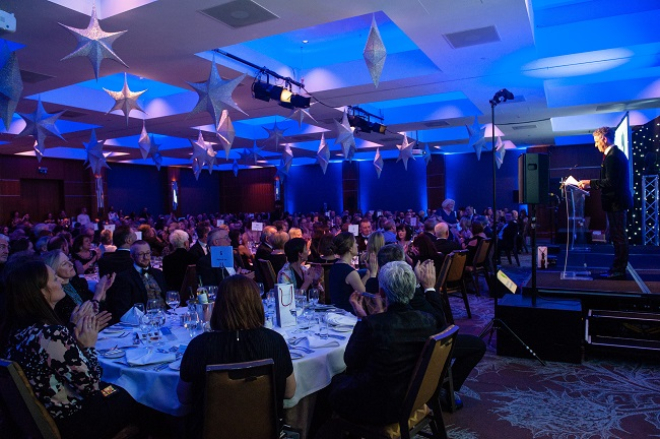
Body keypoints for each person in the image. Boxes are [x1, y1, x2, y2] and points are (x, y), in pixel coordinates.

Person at [0, 260, 135, 439]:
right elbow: (91, 386)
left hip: (50, 416)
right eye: (55, 279)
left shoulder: (17, 332)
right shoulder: (50, 334)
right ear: (41, 291)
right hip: (76, 420)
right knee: (132, 392)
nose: (62, 282)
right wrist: (88, 347)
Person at [177, 275, 295, 439]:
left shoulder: (199, 346)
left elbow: (184, 398)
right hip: (266, 432)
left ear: (219, 306)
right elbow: (289, 392)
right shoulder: (274, 342)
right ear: (256, 304)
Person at [328, 261, 437, 425]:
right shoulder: (428, 320)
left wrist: (364, 321)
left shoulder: (373, 325)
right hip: (413, 398)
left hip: (379, 408)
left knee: (331, 383)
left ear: (382, 293)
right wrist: (366, 317)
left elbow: (350, 361)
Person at [579, 126, 633, 280]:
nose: (596, 145)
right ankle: (617, 268)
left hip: (617, 203)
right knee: (617, 236)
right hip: (616, 203)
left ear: (604, 138)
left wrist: (590, 183)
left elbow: (610, 182)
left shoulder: (613, 157)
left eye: (597, 141)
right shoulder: (613, 155)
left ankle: (618, 270)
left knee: (618, 237)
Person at [42, 250, 115, 324]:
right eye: (64, 264)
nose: (71, 264)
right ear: (53, 271)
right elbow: (78, 323)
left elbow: (97, 310)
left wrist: (104, 290)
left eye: (69, 260)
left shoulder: (76, 283)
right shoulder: (57, 295)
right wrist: (98, 293)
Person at [105, 240, 167, 322]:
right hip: (143, 322)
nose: (146, 257)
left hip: (165, 317)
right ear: (132, 256)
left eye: (148, 253)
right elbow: (123, 310)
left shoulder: (158, 273)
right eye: (141, 254)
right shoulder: (124, 278)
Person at [327, 232, 377, 315]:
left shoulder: (335, 265)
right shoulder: (350, 272)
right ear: (350, 248)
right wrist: (373, 273)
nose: (357, 245)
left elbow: (358, 288)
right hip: (347, 315)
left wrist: (368, 274)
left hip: (335, 312)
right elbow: (363, 294)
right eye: (355, 243)